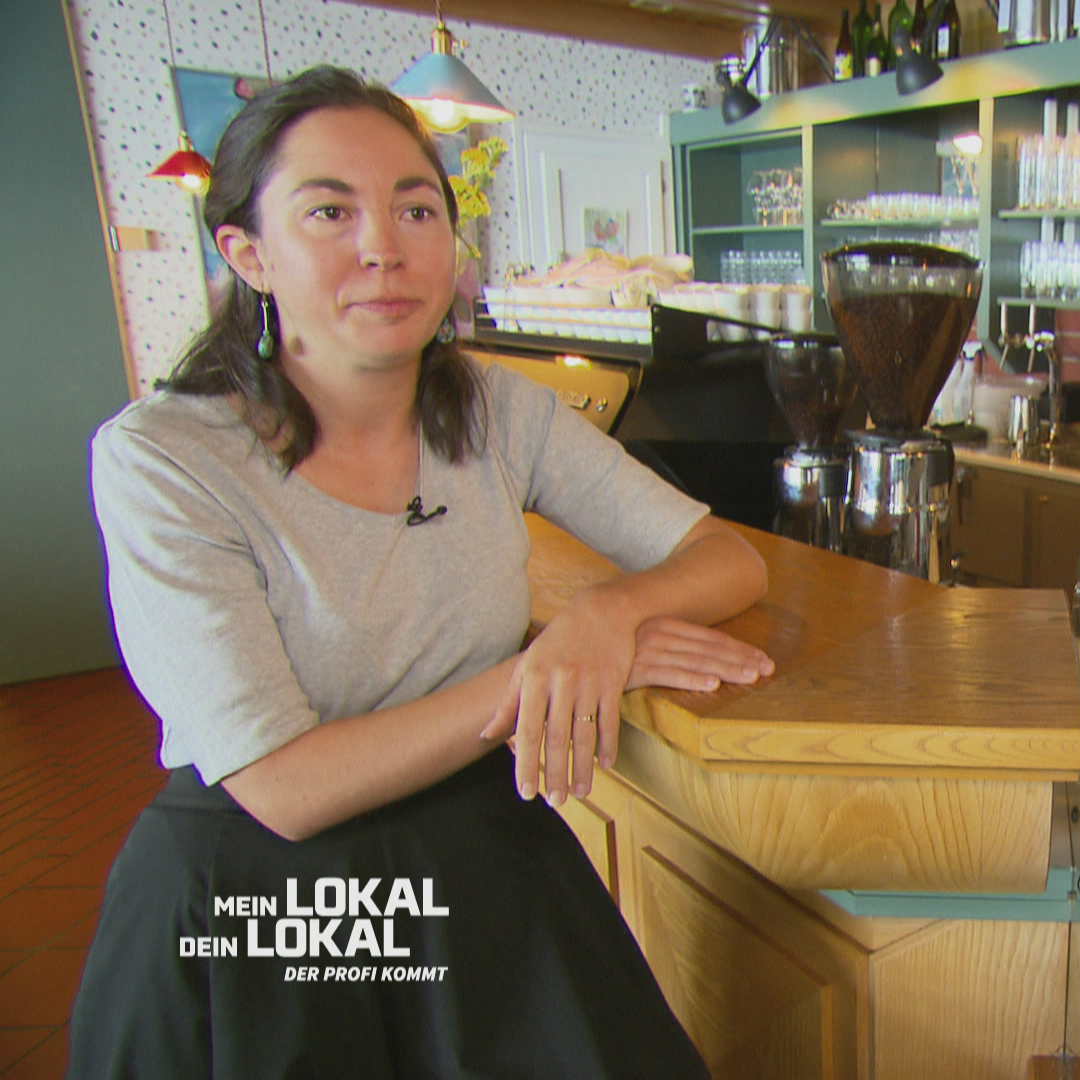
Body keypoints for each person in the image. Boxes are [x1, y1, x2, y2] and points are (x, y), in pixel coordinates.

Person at [68, 65, 771, 1078]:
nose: (383, 248)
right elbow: (284, 785)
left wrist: (603, 620)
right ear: (248, 254)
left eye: (415, 208)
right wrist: (535, 676)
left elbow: (725, 557)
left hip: (479, 864)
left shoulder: (493, 409)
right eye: (329, 211)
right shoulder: (164, 458)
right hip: (270, 901)